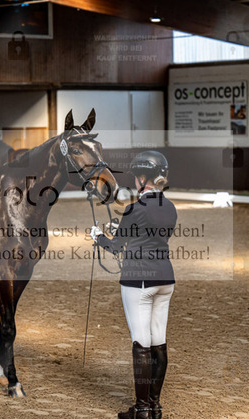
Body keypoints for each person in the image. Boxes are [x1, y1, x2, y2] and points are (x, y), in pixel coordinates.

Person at [90, 151, 177, 419]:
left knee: (141, 343)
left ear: (142, 177)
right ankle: (155, 406)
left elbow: (117, 246)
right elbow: (150, 235)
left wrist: (98, 237)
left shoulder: (134, 209)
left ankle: (141, 410)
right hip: (165, 279)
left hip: (139, 280)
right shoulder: (170, 208)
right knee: (159, 342)